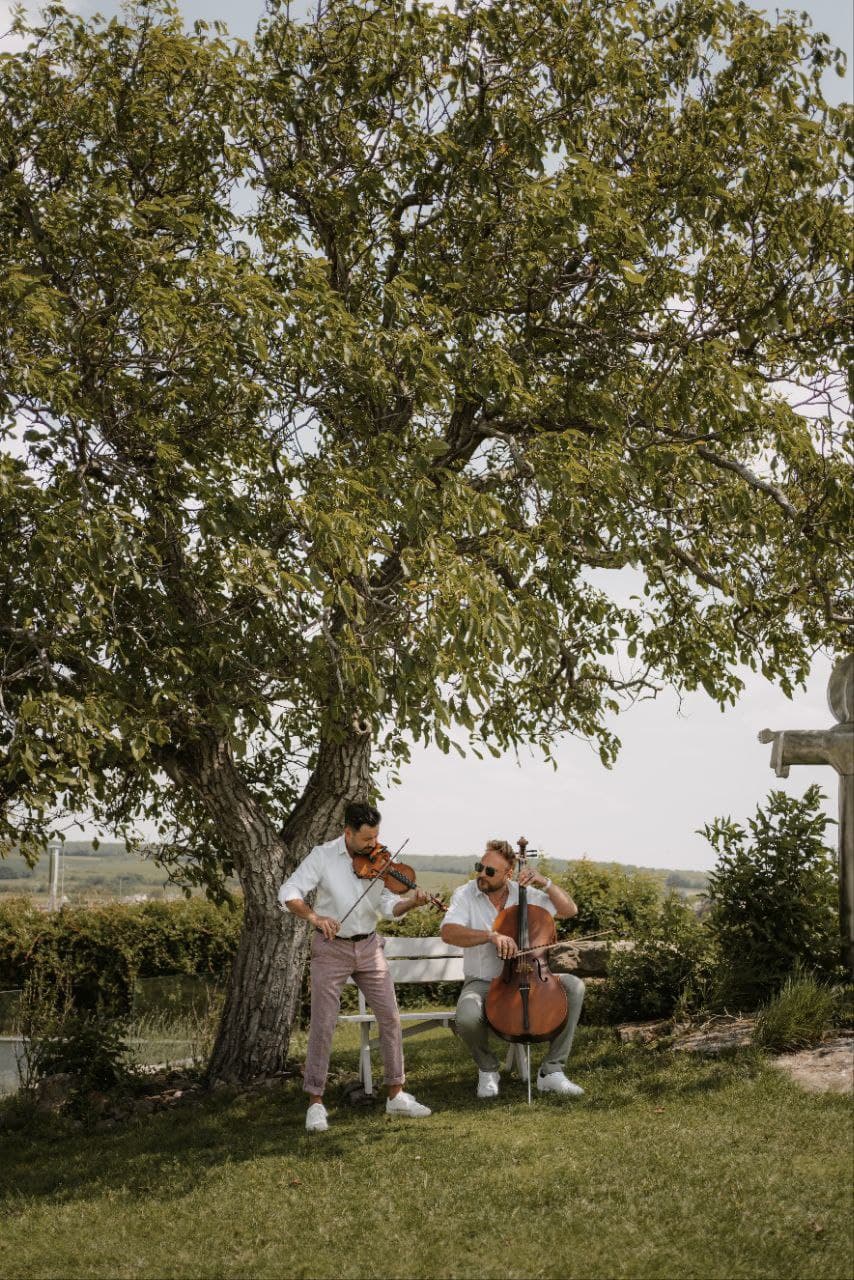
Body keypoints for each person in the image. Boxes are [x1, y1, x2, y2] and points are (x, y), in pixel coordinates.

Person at [279, 800, 433, 1133]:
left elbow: (389, 905)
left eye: (376, 837)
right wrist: (314, 917)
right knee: (323, 1023)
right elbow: (289, 890)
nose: (373, 845)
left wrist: (411, 902)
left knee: (390, 1017)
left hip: (369, 946)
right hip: (331, 948)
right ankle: (316, 1103)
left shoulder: (378, 861)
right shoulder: (322, 855)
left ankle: (396, 1094)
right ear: (347, 832)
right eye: (366, 839)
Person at [440, 839, 586, 1099]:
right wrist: (490, 936)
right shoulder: (465, 894)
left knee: (574, 986)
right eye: (480, 867)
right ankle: (487, 1069)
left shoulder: (526, 894)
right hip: (483, 981)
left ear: (508, 874)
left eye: (490, 871)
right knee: (466, 1018)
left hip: (532, 974)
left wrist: (545, 882)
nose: (481, 874)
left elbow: (570, 910)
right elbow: (449, 932)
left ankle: (552, 1071)